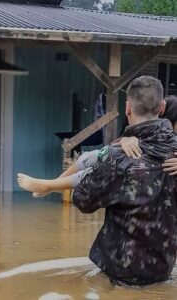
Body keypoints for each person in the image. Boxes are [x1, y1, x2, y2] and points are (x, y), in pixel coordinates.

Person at [72, 76, 177, 285]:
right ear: (162, 107)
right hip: (164, 268)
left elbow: (83, 201)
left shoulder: (118, 156)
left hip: (122, 272)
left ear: (127, 108)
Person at [17, 94, 177, 197]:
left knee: (100, 169)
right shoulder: (153, 133)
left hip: (148, 179)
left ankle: (49, 186)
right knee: (94, 156)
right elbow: (130, 140)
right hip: (141, 170)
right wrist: (125, 140)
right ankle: (54, 184)